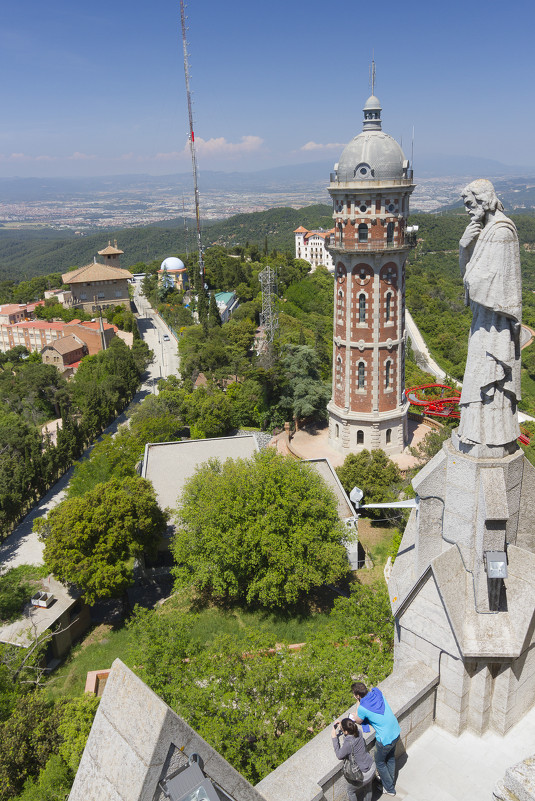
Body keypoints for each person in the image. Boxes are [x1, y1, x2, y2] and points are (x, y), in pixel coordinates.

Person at [457, 178, 522, 448]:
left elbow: (480, 283)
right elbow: (474, 279)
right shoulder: (489, 230)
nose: (468, 210)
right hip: (485, 319)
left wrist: (466, 252)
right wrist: (465, 247)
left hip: (495, 324)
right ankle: (477, 431)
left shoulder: (500, 231)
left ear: (484, 200)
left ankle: (491, 435)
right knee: (479, 372)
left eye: (470, 204)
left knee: (487, 373)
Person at [352, 681, 400, 797]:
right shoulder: (377, 693)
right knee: (390, 757)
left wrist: (357, 703)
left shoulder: (363, 708)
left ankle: (389, 789)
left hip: (385, 739)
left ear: (357, 695)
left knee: (379, 762)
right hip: (396, 731)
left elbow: (359, 720)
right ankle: (390, 781)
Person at [331, 717, 376, 801]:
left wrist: (334, 737)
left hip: (363, 774)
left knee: (350, 790)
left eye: (342, 729)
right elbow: (350, 730)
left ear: (346, 731)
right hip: (372, 767)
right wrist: (343, 724)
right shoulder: (358, 731)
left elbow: (339, 755)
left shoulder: (348, 743)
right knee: (368, 788)